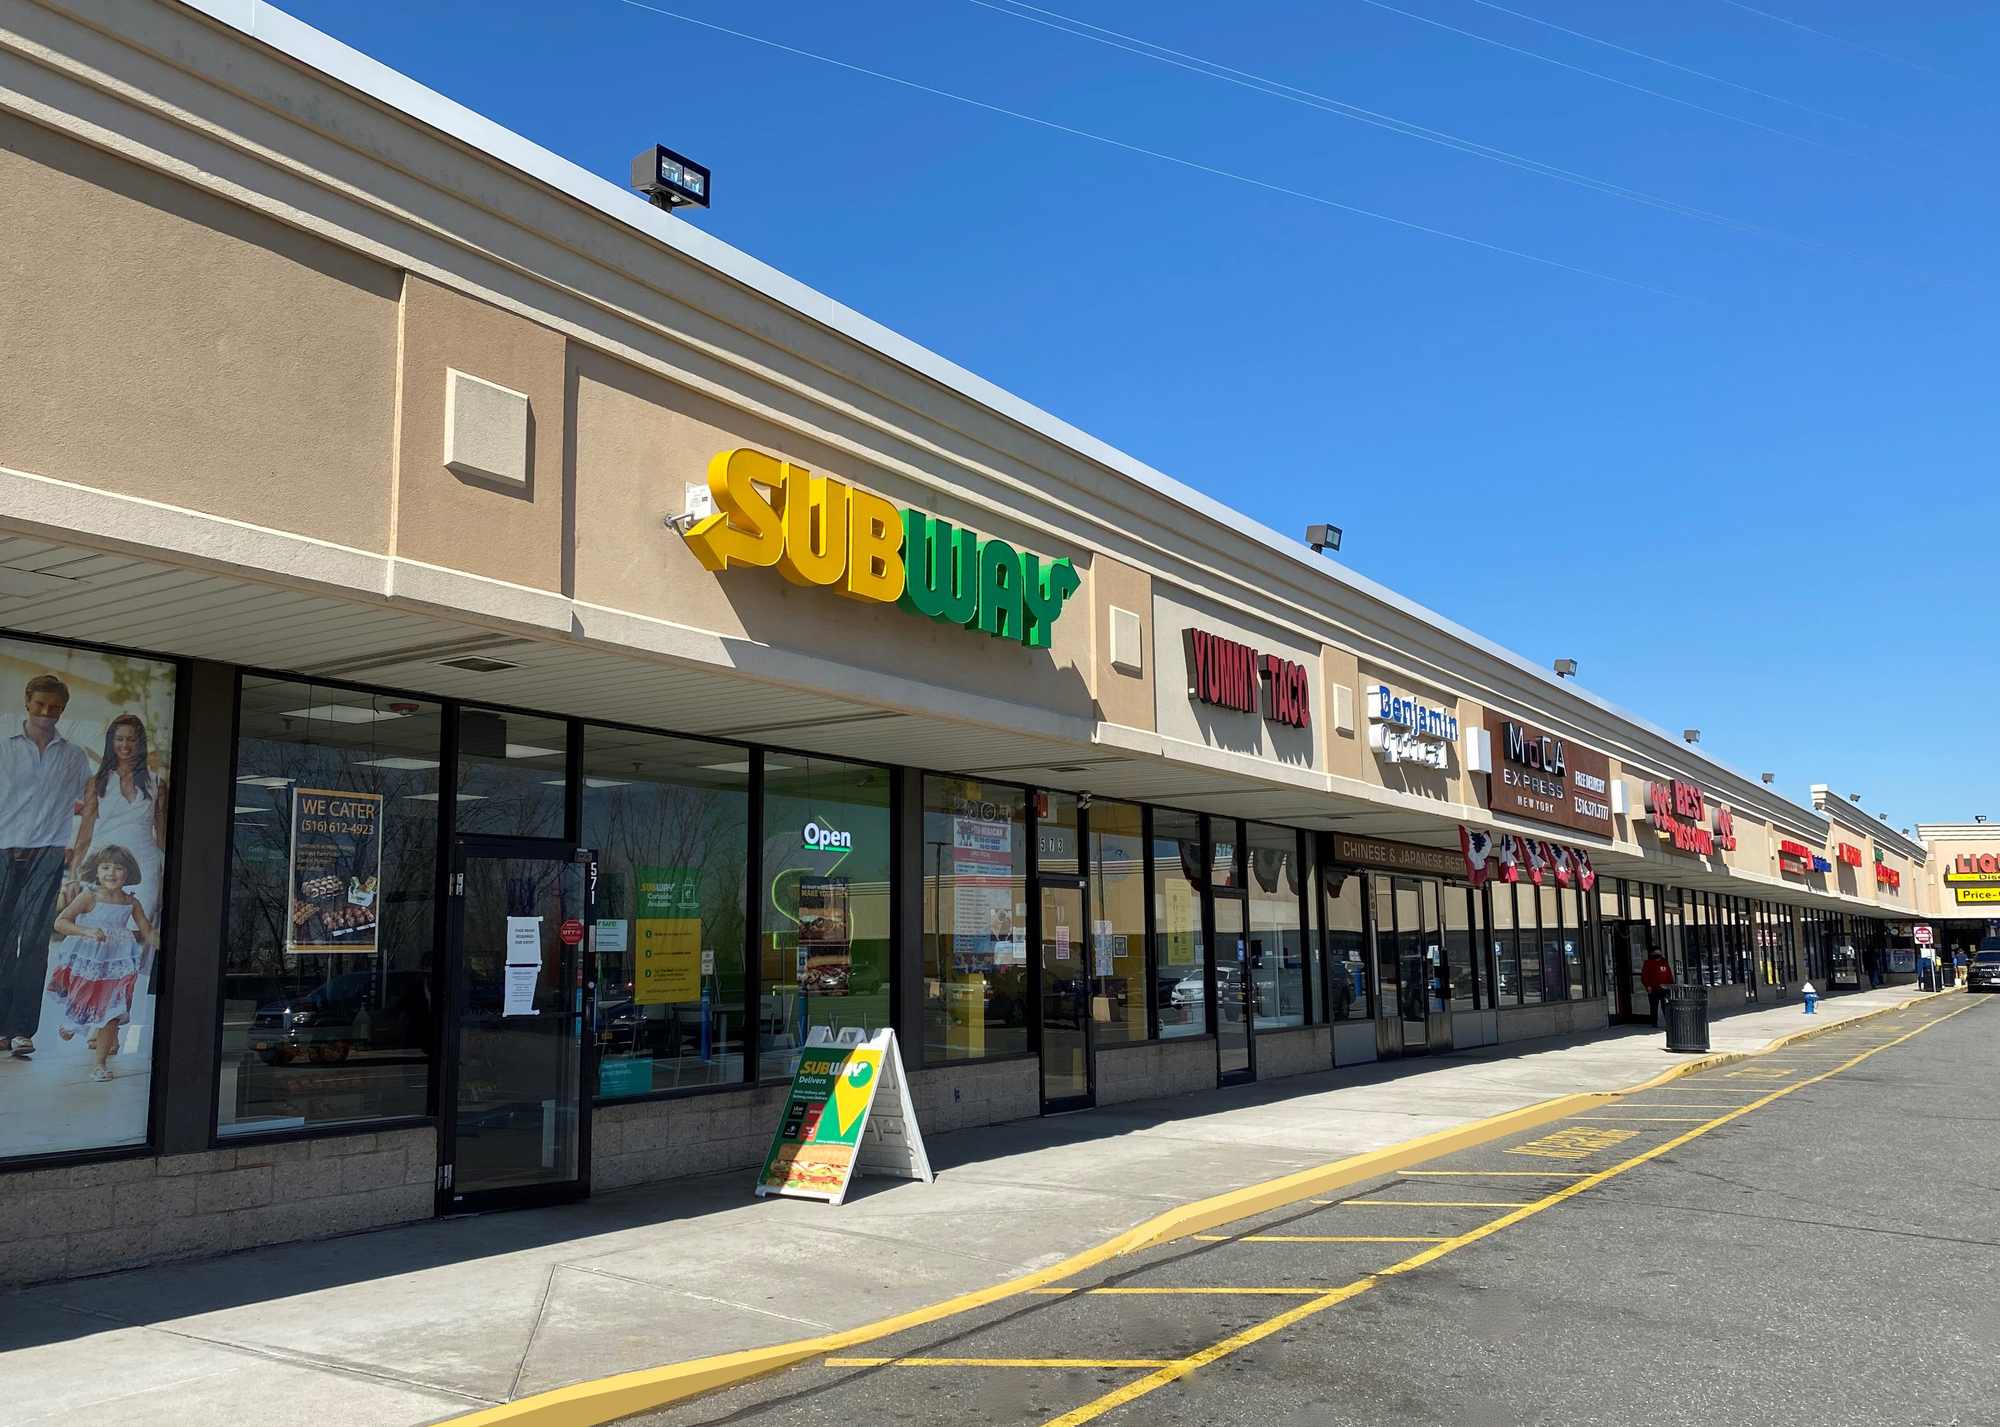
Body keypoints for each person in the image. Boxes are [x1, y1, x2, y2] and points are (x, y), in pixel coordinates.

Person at [0, 673, 90, 1058]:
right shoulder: (4, 748)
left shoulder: (73, 756)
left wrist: (76, 860)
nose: (46, 713)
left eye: (55, 708)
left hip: (48, 856)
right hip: (4, 852)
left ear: (63, 709)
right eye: (40, 704)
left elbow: (89, 808)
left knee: (34, 945)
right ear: (27, 701)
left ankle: (22, 1030)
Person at [45, 844, 156, 1080]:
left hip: (118, 965)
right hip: (89, 963)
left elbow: (147, 931)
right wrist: (85, 931)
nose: (111, 873)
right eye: (105, 867)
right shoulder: (89, 896)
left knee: (113, 1013)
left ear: (129, 873)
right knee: (83, 1002)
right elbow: (60, 922)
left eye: (118, 868)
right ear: (96, 872)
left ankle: (100, 1063)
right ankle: (71, 1021)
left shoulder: (131, 902)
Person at [65, 714, 167, 923]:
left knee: (138, 934)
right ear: (111, 741)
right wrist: (74, 877)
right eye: (119, 739)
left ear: (140, 743)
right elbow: (85, 833)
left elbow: (163, 838)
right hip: (104, 869)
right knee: (99, 933)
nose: (125, 745)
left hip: (144, 868)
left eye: (131, 739)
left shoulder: (157, 783)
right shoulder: (97, 782)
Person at [1640, 950, 1674, 1026]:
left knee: (1665, 1006)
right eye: (1655, 953)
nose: (1657, 954)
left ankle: (1668, 1022)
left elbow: (1669, 975)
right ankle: (1654, 1022)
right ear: (1651, 953)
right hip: (1653, 989)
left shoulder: (1664, 962)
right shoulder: (1648, 963)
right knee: (1654, 1007)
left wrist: (1672, 985)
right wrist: (1647, 986)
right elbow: (1644, 976)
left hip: (1664, 989)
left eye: (1659, 952)